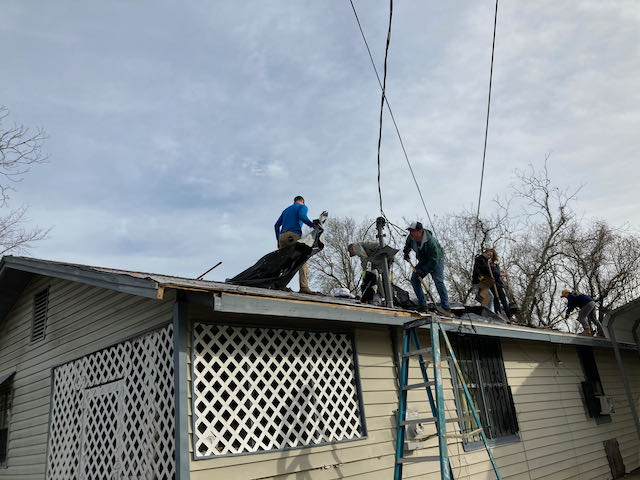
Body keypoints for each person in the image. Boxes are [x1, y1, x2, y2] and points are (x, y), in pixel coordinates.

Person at [402, 222, 450, 314]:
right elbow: (408, 245)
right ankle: (423, 305)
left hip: (436, 260)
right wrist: (406, 252)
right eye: (410, 231)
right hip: (423, 260)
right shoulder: (411, 237)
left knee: (438, 281)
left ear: (420, 231)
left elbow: (433, 260)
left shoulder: (431, 242)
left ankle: (446, 307)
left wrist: (423, 270)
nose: (411, 233)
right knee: (415, 279)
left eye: (413, 231)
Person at [274, 196, 316, 294]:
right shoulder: (302, 207)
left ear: (294, 202)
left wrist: (278, 240)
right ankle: (304, 287)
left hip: (282, 237)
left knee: (285, 262)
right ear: (303, 201)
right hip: (293, 236)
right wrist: (312, 225)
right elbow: (302, 216)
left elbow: (276, 225)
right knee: (302, 259)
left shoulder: (286, 210)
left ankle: (280, 285)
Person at [486, 248, 511, 318]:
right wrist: (503, 274)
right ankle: (498, 314)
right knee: (496, 299)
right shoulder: (488, 265)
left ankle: (509, 315)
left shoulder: (496, 265)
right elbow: (495, 273)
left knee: (503, 300)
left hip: (498, 284)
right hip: (493, 284)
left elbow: (498, 274)